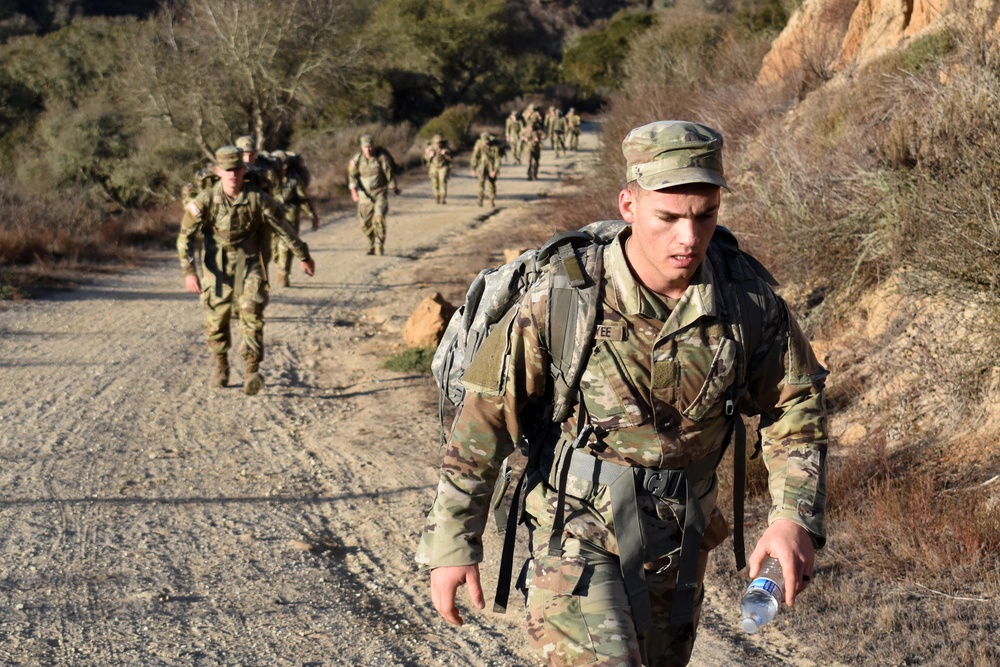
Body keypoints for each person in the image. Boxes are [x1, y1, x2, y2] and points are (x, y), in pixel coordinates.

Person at [416, 120, 828, 667]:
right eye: (669, 217)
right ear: (628, 205)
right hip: (574, 532)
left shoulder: (746, 301)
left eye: (704, 215)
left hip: (680, 542)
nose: (689, 237)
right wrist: (452, 542)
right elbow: (486, 419)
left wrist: (792, 517)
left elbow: (793, 406)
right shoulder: (565, 297)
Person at [177, 146, 316, 395]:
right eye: (227, 170)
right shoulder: (205, 199)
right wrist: (189, 271)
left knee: (251, 310)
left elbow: (283, 227)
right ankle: (221, 367)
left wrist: (303, 255)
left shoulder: (257, 198)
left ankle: (252, 370)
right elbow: (184, 236)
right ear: (219, 171)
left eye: (237, 170)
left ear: (244, 170)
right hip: (216, 265)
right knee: (216, 320)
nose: (233, 175)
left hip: (249, 262)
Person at [270, 150, 320, 287]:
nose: (282, 170)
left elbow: (303, 199)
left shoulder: (294, 179)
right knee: (274, 247)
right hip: (271, 214)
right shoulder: (267, 178)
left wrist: (312, 215)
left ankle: (283, 273)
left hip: (289, 213)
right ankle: (279, 264)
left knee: (287, 245)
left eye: (284, 167)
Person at [348, 134, 399, 255]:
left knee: (379, 217)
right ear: (362, 147)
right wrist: (353, 192)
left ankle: (379, 245)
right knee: (364, 223)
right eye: (366, 147)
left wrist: (394, 187)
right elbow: (352, 177)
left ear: (374, 146)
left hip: (380, 193)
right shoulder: (357, 160)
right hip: (364, 196)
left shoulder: (381, 158)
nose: (368, 149)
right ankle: (371, 243)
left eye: (370, 146)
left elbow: (389, 173)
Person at [470, 131, 503, 208]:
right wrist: (473, 169)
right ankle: (480, 200)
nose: (485, 144)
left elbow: (498, 159)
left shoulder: (494, 147)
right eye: (484, 142)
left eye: (487, 142)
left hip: (492, 167)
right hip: (482, 167)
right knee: (481, 183)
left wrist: (495, 170)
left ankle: (492, 200)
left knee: (491, 184)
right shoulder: (479, 145)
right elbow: (474, 157)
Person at [424, 134, 453, 205]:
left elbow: (450, 159)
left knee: (443, 181)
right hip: (433, 167)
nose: (438, 145)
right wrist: (430, 155)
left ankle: (443, 197)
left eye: (439, 143)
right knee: (435, 182)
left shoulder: (445, 149)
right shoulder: (430, 149)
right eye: (437, 143)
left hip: (443, 167)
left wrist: (445, 154)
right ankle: (437, 196)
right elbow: (425, 160)